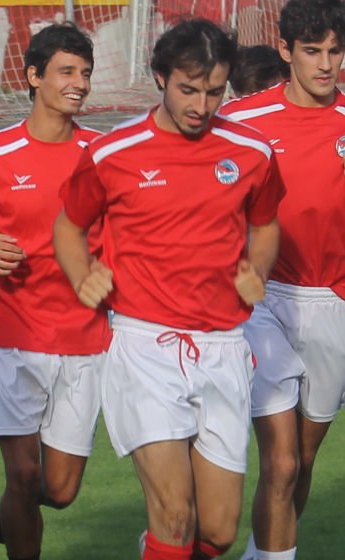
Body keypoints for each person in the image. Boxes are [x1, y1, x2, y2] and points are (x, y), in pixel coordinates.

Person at [53, 18, 283, 560]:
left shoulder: (252, 151)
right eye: (188, 89)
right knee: (176, 515)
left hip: (224, 348)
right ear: (160, 77)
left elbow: (267, 223)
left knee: (219, 532)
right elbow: (68, 226)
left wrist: (260, 270)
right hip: (144, 347)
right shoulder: (115, 152)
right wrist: (82, 274)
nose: (202, 104)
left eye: (214, 90)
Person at [221, 1, 345, 558]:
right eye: (312, 51)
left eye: (335, 52)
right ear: (285, 50)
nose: (325, 64)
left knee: (303, 458)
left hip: (335, 300)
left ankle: (261, 551)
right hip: (262, 299)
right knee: (281, 459)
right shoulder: (243, 123)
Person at [0, 23, 109, 560]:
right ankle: (18, 503)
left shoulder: (105, 154)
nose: (79, 83)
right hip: (6, 334)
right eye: (67, 71)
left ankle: (13, 510)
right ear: (34, 76)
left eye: (85, 73)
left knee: (58, 490)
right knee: (22, 472)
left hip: (84, 337)